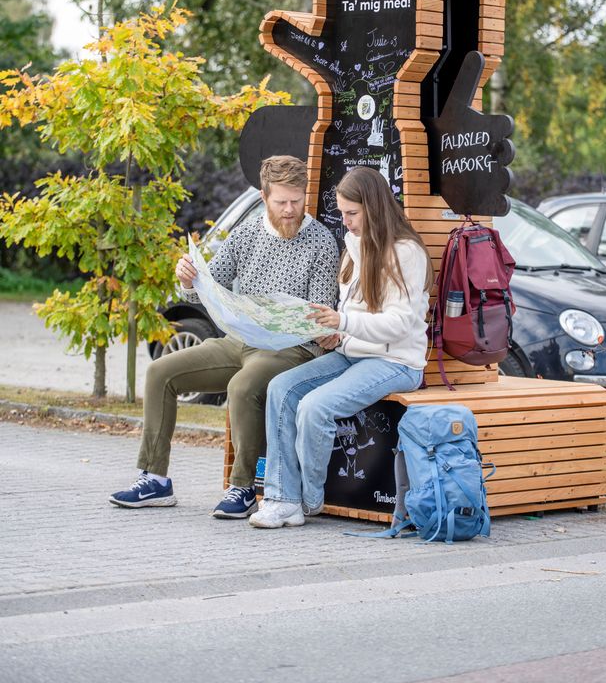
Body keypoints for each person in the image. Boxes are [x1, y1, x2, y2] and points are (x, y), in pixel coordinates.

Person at [109, 156, 339, 518]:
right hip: (239, 340)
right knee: (160, 373)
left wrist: (318, 328)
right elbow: (205, 286)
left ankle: (244, 487)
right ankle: (154, 479)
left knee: (243, 386)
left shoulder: (321, 241)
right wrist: (187, 278)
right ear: (265, 197)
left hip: (290, 348)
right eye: (282, 202)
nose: (291, 210)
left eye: (297, 200)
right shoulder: (246, 234)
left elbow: (321, 315)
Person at [249, 165, 432, 529]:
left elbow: (400, 324)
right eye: (342, 213)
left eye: (352, 213)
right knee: (280, 389)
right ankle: (281, 499)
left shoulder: (406, 253)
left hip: (396, 361)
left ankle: (308, 500)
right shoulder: (354, 248)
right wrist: (337, 334)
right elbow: (352, 314)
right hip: (353, 351)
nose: (345, 222)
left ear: (374, 207)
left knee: (315, 407)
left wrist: (344, 323)